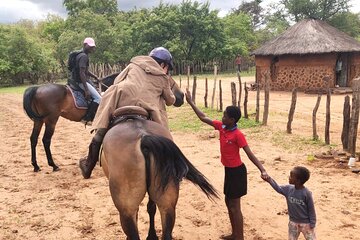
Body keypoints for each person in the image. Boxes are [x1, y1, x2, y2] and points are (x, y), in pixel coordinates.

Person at [79, 46, 176, 179]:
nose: (167, 71)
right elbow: (170, 100)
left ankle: (88, 165)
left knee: (101, 131)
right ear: (163, 64)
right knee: (165, 137)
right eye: (168, 68)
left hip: (123, 101)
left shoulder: (134, 65)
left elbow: (118, 80)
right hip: (147, 108)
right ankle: (171, 168)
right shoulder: (163, 77)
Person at [185, 89, 269, 240]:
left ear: (232, 120)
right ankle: (235, 234)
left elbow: (249, 154)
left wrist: (262, 170)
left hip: (237, 172)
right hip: (229, 171)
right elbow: (203, 117)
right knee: (228, 201)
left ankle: (240, 237)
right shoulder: (222, 128)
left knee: (235, 206)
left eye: (225, 116)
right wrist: (191, 102)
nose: (222, 117)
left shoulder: (238, 135)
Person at [265, 166, 316, 240]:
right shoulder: (288, 189)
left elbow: (311, 209)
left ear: (298, 180)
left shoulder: (307, 193)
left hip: (306, 224)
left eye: (291, 176)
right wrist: (269, 180)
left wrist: (312, 223)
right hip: (293, 222)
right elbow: (278, 188)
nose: (289, 177)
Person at [70, 37, 101, 121]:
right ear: (84, 45)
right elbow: (82, 73)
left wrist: (95, 77)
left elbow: (86, 71)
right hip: (80, 81)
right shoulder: (84, 56)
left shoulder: (80, 54)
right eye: (90, 46)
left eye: (93, 47)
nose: (92, 48)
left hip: (74, 80)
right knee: (99, 98)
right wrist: (86, 90)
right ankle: (88, 117)